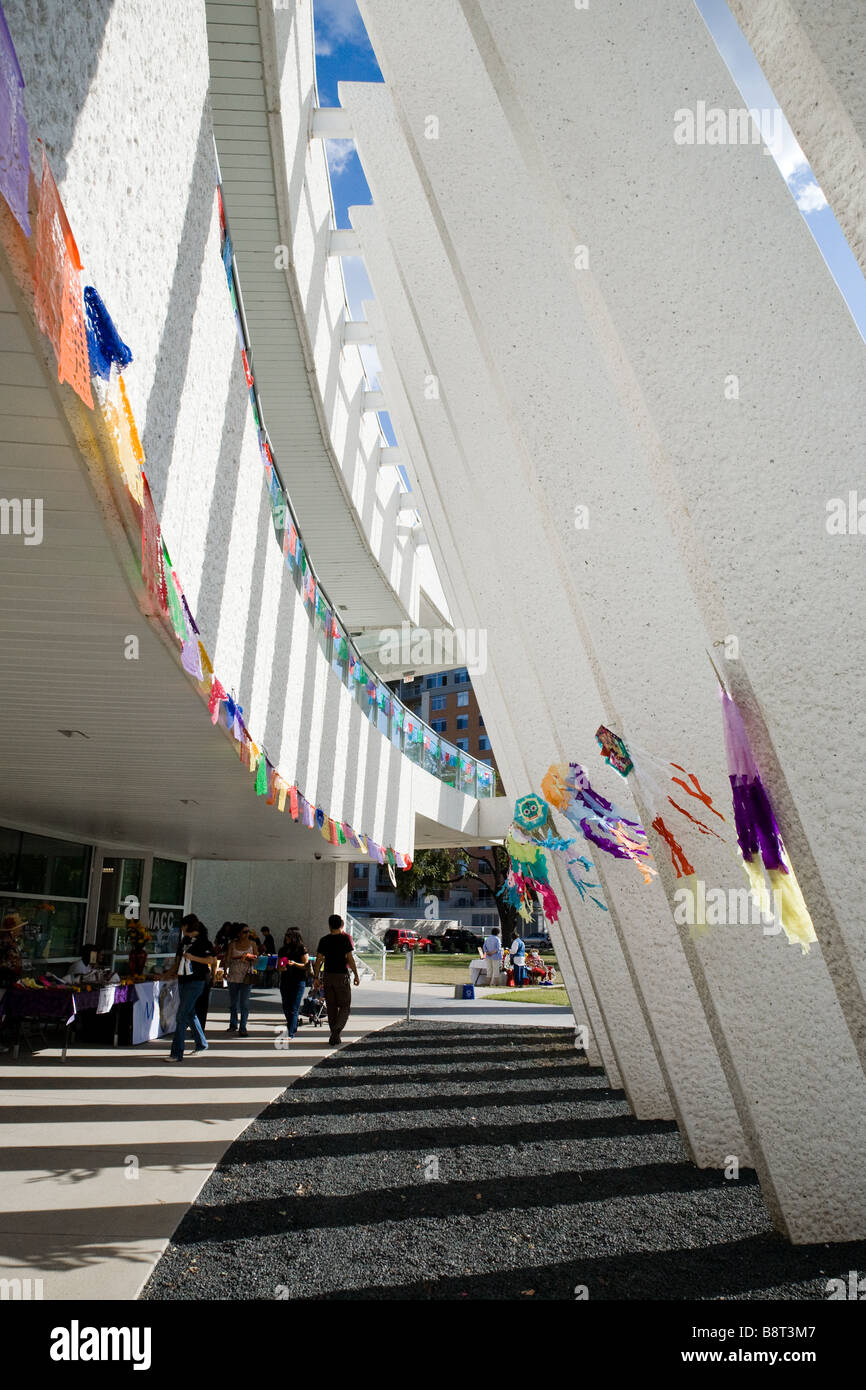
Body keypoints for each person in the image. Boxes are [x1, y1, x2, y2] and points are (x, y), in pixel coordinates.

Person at [164, 918, 217, 1063]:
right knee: (190, 1012)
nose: (181, 929)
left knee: (182, 1015)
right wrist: (165, 975)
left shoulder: (204, 942)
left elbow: (211, 961)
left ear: (188, 926)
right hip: (183, 980)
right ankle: (201, 1043)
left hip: (197, 981)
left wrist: (193, 957)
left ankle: (176, 1053)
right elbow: (177, 961)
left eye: (182, 926)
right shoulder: (184, 941)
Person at [313, 914, 360, 1046]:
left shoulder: (324, 940)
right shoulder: (345, 939)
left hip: (327, 976)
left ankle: (334, 1034)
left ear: (329, 925)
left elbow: (318, 960)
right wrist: (356, 974)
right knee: (345, 1005)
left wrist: (316, 977)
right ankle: (336, 1030)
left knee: (332, 1007)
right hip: (341, 976)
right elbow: (350, 958)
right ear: (341, 925)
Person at [224, 923, 258, 1035]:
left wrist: (250, 958)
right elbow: (227, 959)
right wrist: (225, 971)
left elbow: (257, 959)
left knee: (244, 1003)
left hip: (247, 976)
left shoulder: (252, 944)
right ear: (238, 933)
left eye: (248, 931)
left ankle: (243, 1027)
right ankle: (233, 1024)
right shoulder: (232, 944)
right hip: (234, 975)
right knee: (233, 1003)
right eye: (244, 932)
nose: (247, 934)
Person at [278, 928, 309, 1040]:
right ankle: (293, 1026)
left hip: (298, 981)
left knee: (294, 1007)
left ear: (295, 937)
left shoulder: (301, 949)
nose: (286, 938)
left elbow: (306, 965)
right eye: (286, 936)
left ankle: (290, 1032)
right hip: (285, 980)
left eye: (289, 936)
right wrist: (281, 967)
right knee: (286, 1006)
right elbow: (279, 966)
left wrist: (295, 964)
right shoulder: (282, 950)